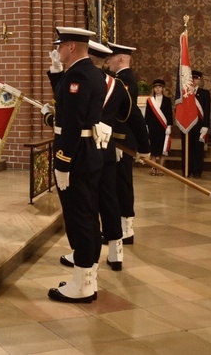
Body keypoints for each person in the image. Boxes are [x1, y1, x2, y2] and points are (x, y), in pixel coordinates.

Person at [51, 41, 150, 273]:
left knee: (89, 205)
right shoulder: (112, 84)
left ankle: (86, 256)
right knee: (108, 201)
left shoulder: (88, 80)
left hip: (87, 149)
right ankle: (115, 253)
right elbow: (131, 115)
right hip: (106, 148)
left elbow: (74, 116)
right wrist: (141, 144)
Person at [41, 27, 105, 303]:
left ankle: (81, 285)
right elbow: (66, 104)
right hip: (88, 152)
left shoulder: (78, 76)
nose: (57, 50)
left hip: (75, 154)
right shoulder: (91, 73)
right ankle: (86, 277)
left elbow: (72, 122)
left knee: (78, 218)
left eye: (61, 45)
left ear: (71, 47)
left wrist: (63, 162)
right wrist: (56, 72)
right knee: (88, 215)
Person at [106, 42, 140, 244]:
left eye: (111, 58)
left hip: (122, 142)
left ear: (120, 59)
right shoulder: (122, 79)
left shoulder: (124, 81)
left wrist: (118, 140)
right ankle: (122, 227)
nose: (108, 61)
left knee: (122, 185)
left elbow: (123, 114)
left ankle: (126, 230)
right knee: (118, 185)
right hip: (120, 141)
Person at [182, 70, 211, 178]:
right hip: (187, 125)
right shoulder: (185, 92)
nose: (193, 80)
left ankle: (197, 171)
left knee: (198, 149)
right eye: (192, 78)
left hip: (199, 126)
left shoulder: (204, 93)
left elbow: (207, 110)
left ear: (199, 80)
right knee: (187, 149)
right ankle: (186, 170)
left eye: (196, 78)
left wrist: (206, 125)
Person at [145, 79, 173, 174]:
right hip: (153, 127)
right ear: (153, 89)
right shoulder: (150, 101)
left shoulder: (167, 100)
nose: (157, 89)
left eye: (160, 87)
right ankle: (154, 168)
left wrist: (169, 126)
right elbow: (147, 114)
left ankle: (161, 168)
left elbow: (169, 114)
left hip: (163, 128)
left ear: (163, 88)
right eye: (156, 87)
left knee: (162, 149)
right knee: (153, 149)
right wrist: (146, 126)